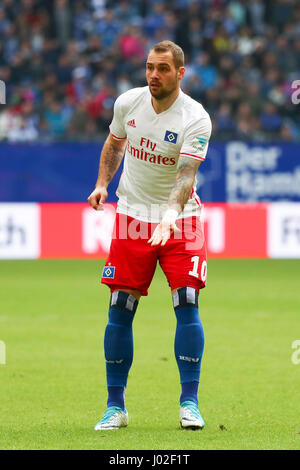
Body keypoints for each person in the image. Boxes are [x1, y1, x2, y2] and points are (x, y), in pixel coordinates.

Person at [88, 40, 212, 431]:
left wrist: (169, 216)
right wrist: (102, 184)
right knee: (120, 308)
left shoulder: (196, 118)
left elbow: (185, 176)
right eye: (149, 67)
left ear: (180, 73)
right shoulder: (128, 103)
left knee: (187, 303)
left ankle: (189, 403)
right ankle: (115, 407)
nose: (153, 75)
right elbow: (115, 142)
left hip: (181, 221)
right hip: (131, 218)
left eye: (162, 68)